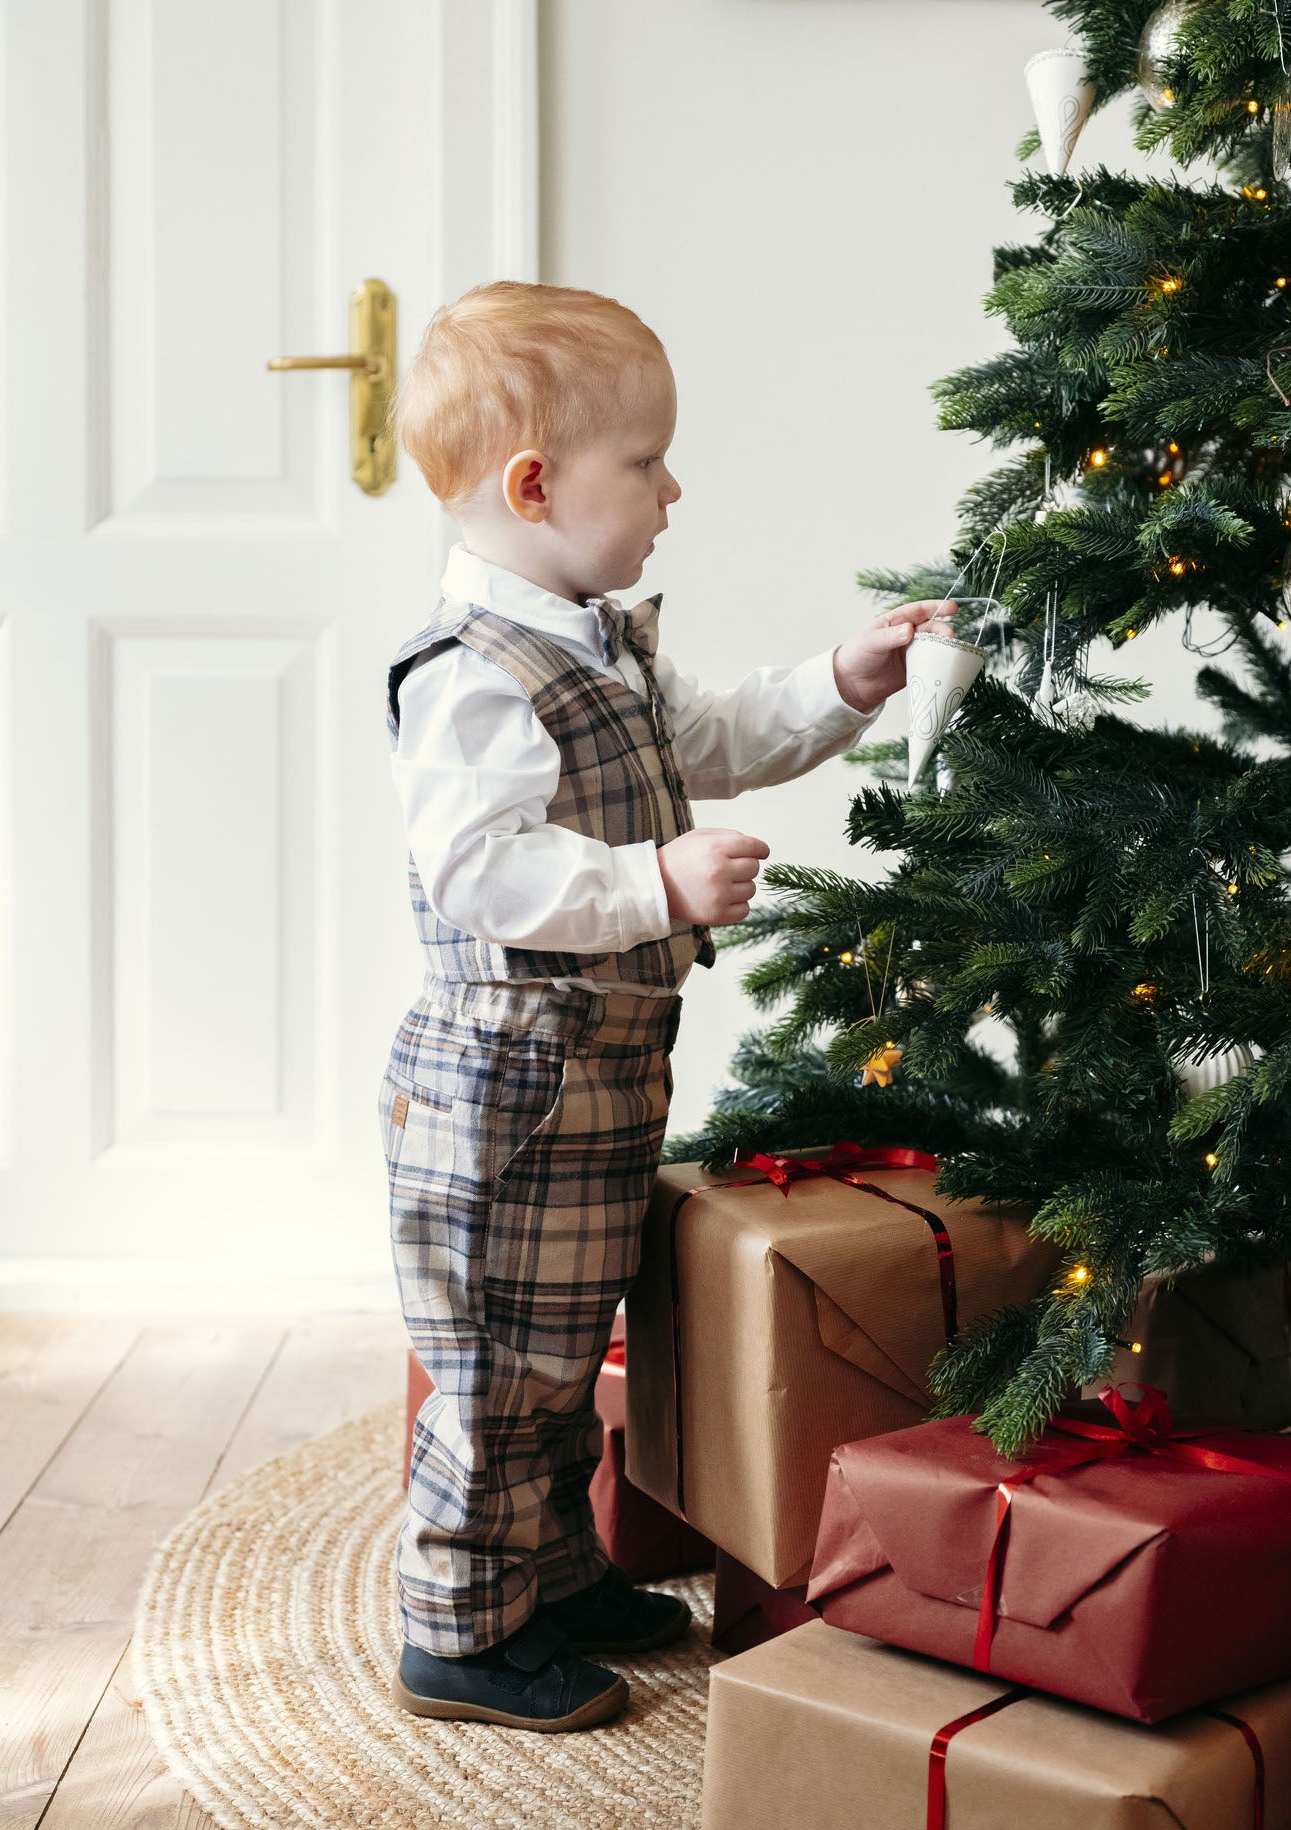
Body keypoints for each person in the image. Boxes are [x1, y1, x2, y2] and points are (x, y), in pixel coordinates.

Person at [381, 280, 953, 1731]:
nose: (673, 487)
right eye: (645, 463)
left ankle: (550, 1575)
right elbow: (478, 873)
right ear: (534, 485)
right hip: (508, 1091)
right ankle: (457, 1626)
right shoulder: (475, 677)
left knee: (569, 1349)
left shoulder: (597, 639)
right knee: (500, 1363)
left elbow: (712, 735)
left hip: (601, 1072)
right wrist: (654, 885)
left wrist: (844, 680)